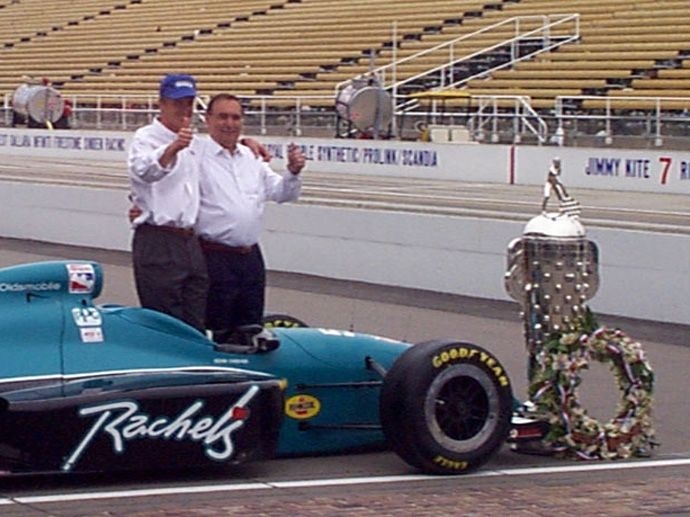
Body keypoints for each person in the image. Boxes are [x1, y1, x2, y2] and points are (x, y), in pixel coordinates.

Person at [195, 93, 306, 343]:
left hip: (250, 259)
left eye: (235, 117)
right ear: (207, 119)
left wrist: (292, 172)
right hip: (213, 256)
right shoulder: (195, 154)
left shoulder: (251, 158)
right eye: (222, 116)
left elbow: (281, 193)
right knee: (217, 328)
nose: (229, 123)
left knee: (250, 326)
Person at [127, 73, 208, 332]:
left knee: (195, 321)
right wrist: (173, 148)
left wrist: (246, 143)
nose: (184, 110)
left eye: (189, 103)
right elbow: (144, 170)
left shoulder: (195, 142)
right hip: (158, 238)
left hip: (189, 240)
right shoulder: (145, 137)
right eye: (177, 103)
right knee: (164, 322)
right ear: (162, 104)